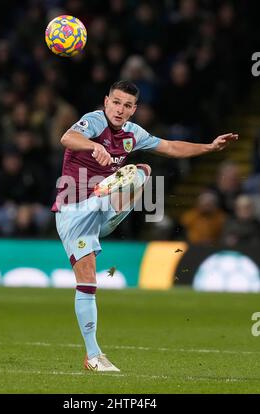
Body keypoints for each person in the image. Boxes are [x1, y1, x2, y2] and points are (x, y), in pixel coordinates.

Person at [52, 80, 238, 372]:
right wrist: (93, 147)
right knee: (88, 281)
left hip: (102, 207)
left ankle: (109, 204)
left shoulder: (133, 133)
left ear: (134, 109)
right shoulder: (94, 121)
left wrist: (210, 147)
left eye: (127, 105)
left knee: (143, 171)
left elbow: (171, 147)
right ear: (106, 101)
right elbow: (67, 138)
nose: (120, 109)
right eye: (116, 102)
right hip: (73, 210)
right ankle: (93, 356)